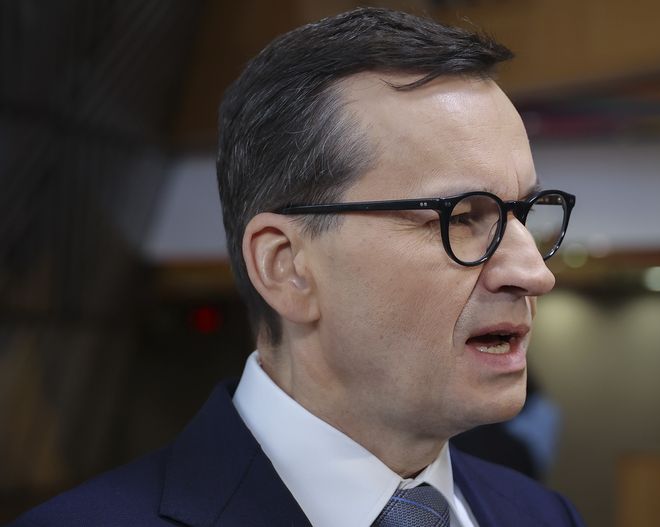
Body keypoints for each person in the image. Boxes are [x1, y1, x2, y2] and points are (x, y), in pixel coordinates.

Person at [13, 7, 583, 527]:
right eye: (462, 217)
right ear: (286, 266)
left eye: (524, 213)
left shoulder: (544, 516)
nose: (534, 273)